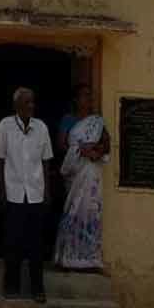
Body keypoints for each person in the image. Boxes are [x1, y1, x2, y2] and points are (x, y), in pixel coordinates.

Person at [0, 87, 54, 303]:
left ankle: (38, 289)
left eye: (33, 102)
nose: (31, 106)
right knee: (12, 242)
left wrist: (46, 192)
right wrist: (0, 189)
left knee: (36, 244)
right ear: (17, 106)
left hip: (35, 193)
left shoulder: (41, 128)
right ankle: (11, 287)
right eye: (27, 103)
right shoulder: (5, 127)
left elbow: (46, 162)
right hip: (13, 193)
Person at [54, 84, 110, 271]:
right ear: (76, 99)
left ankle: (89, 260)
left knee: (91, 213)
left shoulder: (97, 121)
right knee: (73, 211)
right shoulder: (68, 120)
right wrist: (79, 149)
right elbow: (61, 145)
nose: (89, 99)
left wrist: (97, 151)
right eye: (85, 96)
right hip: (75, 172)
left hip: (91, 173)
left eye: (90, 96)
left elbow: (106, 143)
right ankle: (67, 258)